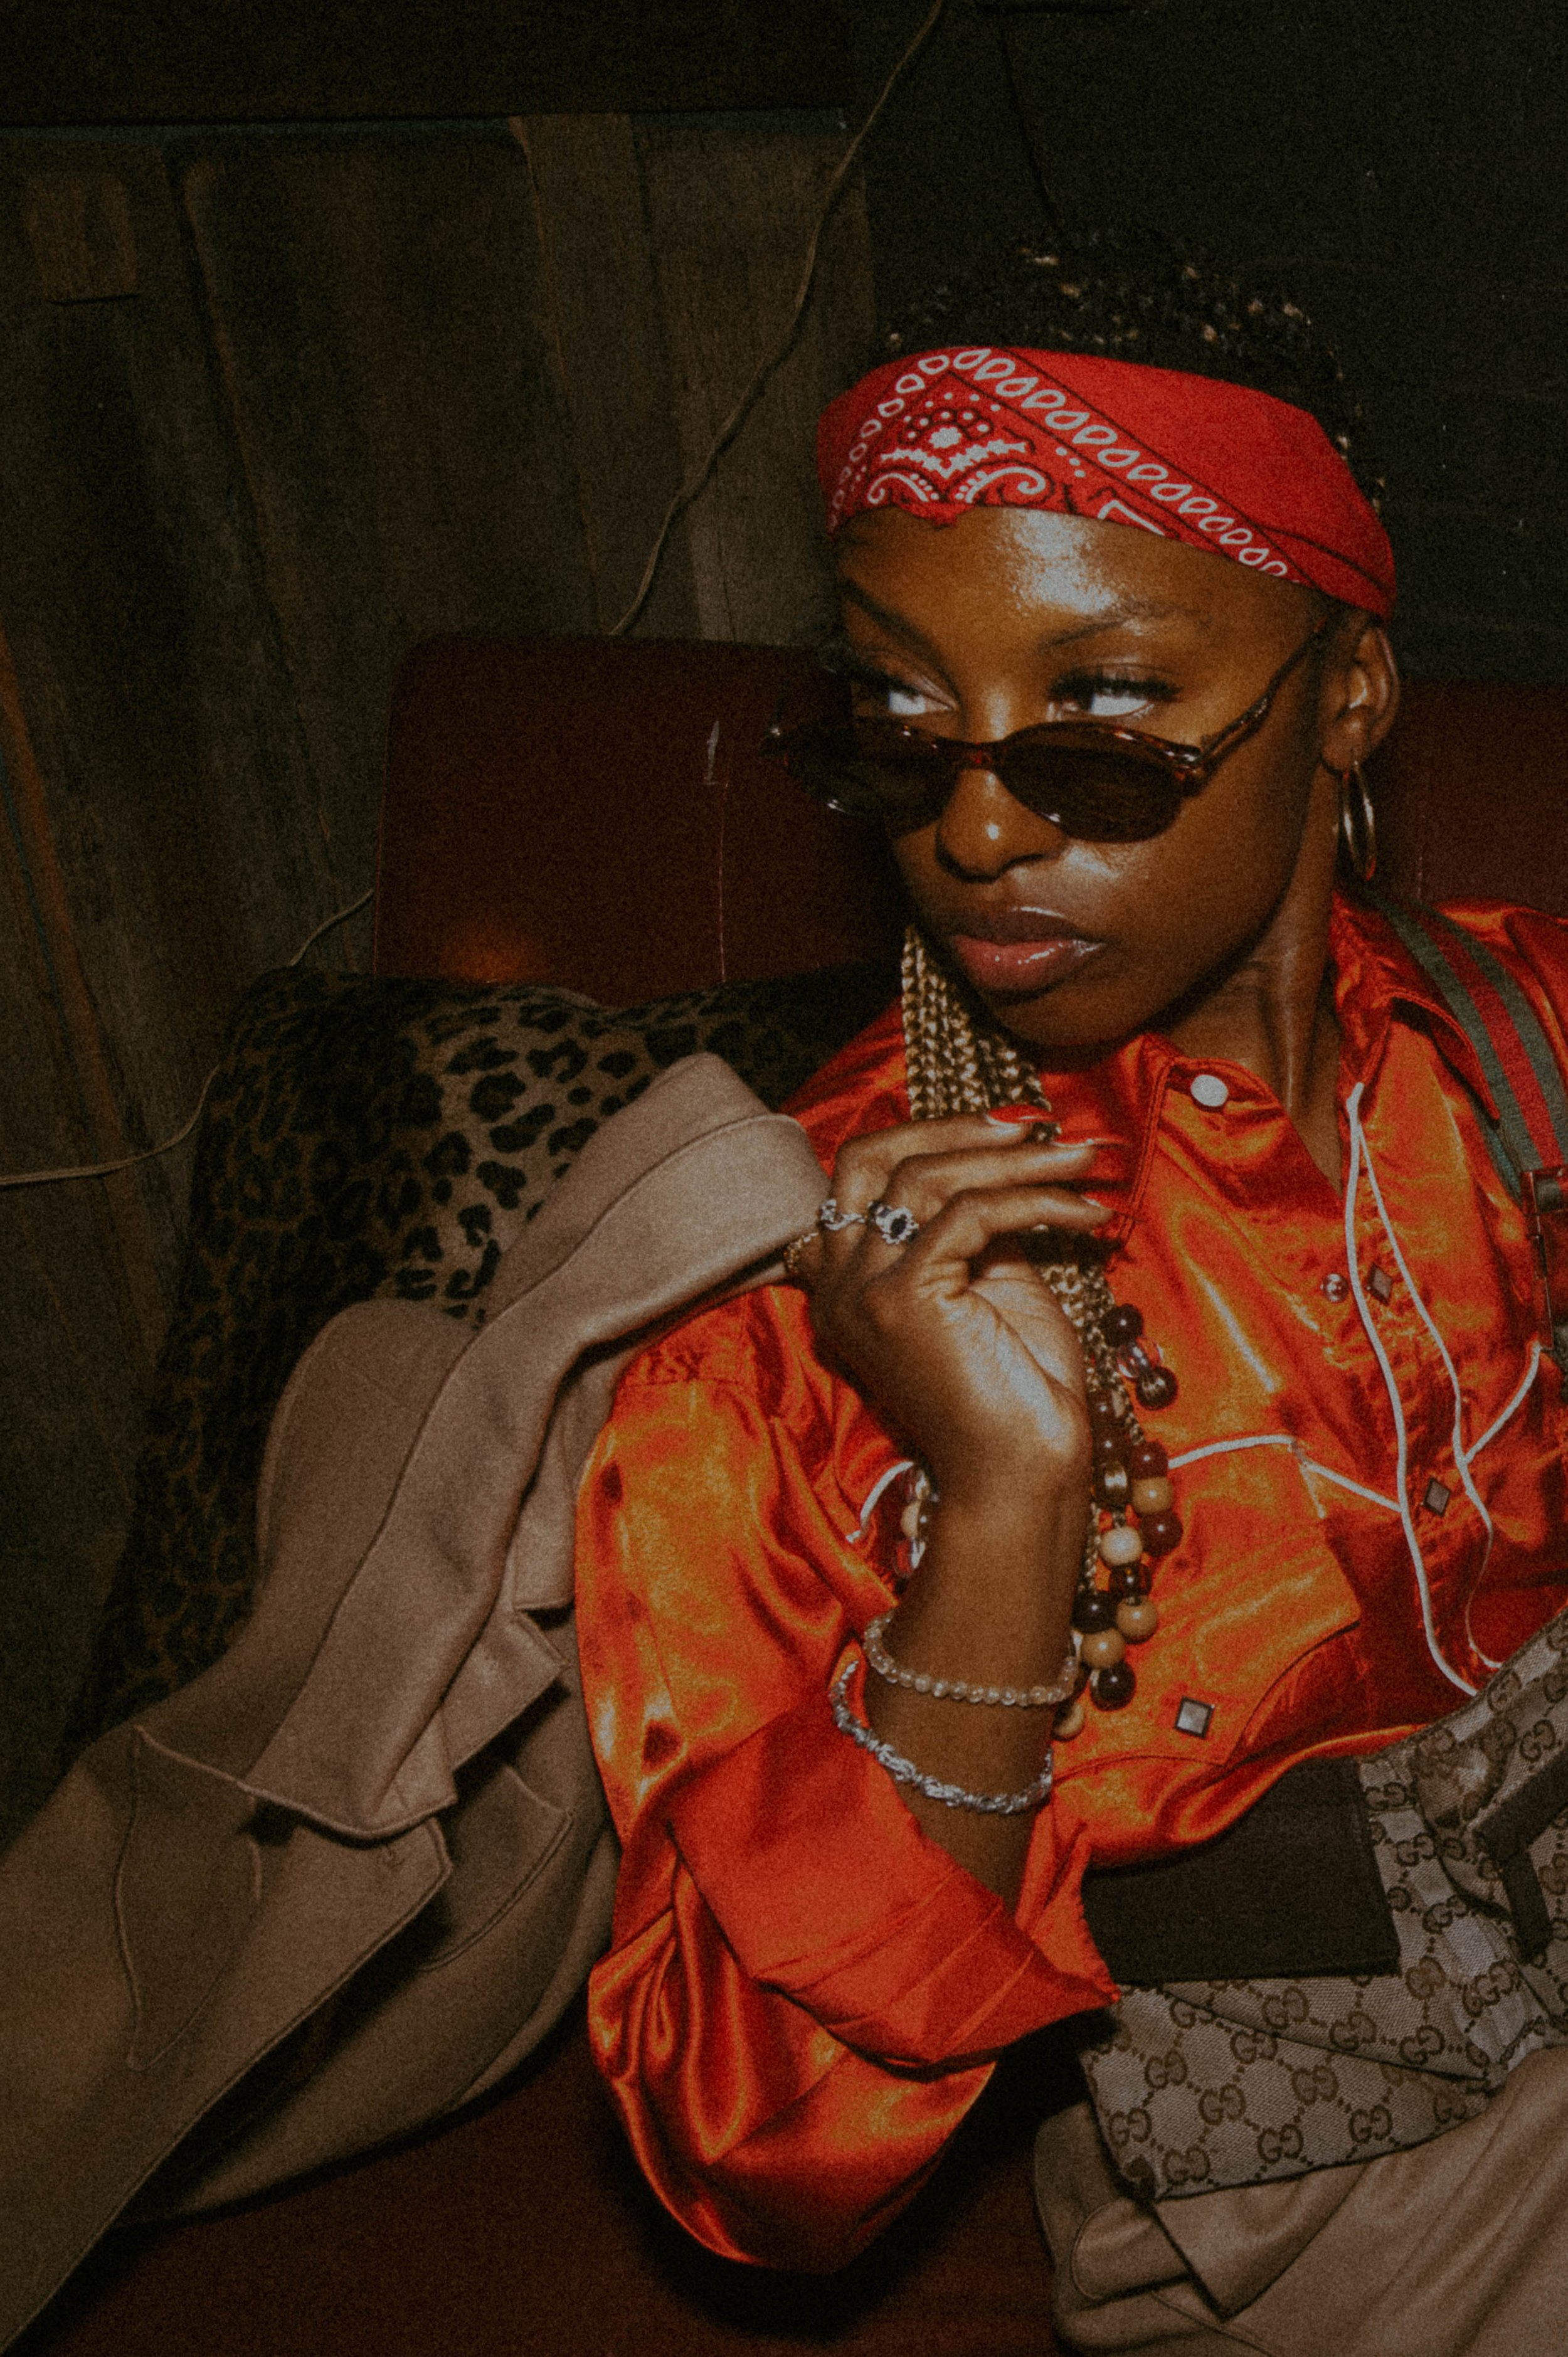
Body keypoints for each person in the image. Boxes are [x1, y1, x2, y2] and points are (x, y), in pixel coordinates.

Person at [571, 231, 1568, 2354]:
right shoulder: (785, 1305)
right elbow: (752, 2149)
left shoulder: (1526, 1038)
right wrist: (1006, 1514)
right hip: (1321, 2206)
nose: (978, 833)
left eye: (1099, 735)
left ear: (1348, 699)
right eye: (898, 732)